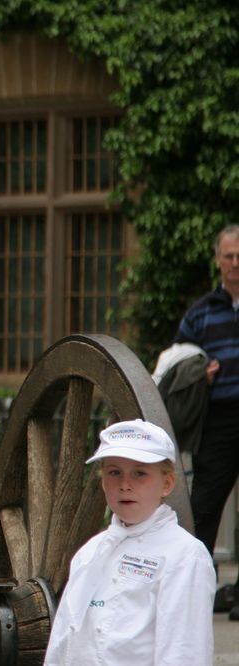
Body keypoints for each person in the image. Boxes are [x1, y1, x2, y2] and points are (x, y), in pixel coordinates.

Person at [44, 419, 215, 666]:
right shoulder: (90, 552)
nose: (125, 485)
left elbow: (184, 651)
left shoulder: (184, 556)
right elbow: (63, 637)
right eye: (114, 473)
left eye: (140, 473)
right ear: (103, 481)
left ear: (166, 484)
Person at [174, 224, 239, 618]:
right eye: (229, 256)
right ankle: (196, 585)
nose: (235, 264)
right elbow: (177, 364)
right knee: (203, 506)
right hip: (217, 420)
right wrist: (200, 375)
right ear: (218, 261)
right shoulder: (200, 313)